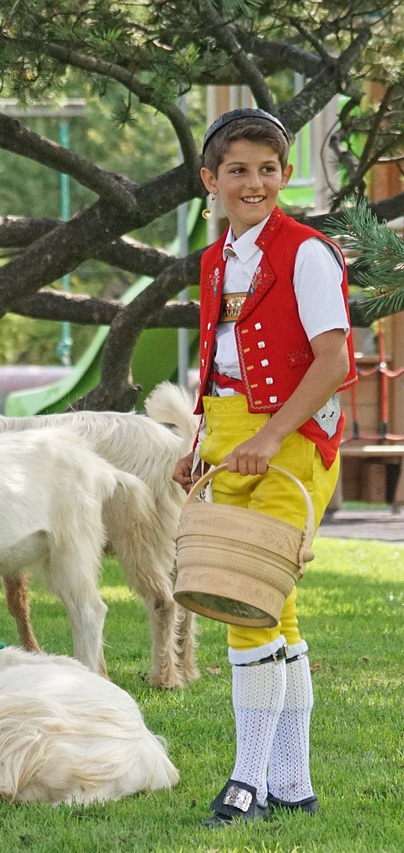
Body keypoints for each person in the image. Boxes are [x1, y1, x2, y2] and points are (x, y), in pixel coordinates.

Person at [173, 108, 356, 827]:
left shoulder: (308, 252)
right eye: (239, 170)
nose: (255, 183)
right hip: (229, 435)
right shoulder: (215, 260)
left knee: (242, 597)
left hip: (293, 440)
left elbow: (334, 362)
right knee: (276, 608)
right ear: (210, 181)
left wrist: (271, 437)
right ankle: (293, 783)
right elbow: (221, 363)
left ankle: (245, 782)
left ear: (283, 176)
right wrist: (200, 445)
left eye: (269, 169)